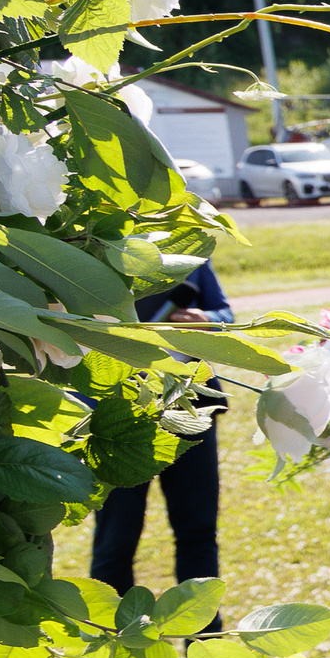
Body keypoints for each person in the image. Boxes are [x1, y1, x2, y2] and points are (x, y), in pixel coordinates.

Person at [89, 255, 234, 611]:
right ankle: (116, 647)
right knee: (115, 541)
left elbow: (224, 314)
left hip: (190, 409)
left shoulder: (188, 252)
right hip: (117, 418)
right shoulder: (90, 253)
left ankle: (204, 647)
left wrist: (208, 320)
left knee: (198, 533)